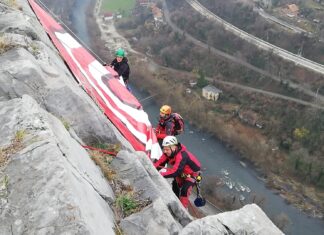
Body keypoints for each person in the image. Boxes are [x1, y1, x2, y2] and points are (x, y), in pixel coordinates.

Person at [154, 136, 201, 208]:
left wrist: (159, 174)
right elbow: (160, 163)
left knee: (185, 190)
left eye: (166, 149)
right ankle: (174, 202)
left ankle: (183, 209)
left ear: (174, 148)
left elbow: (175, 172)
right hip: (182, 173)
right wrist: (152, 169)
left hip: (192, 175)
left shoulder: (182, 156)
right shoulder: (169, 153)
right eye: (164, 149)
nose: (164, 151)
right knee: (175, 187)